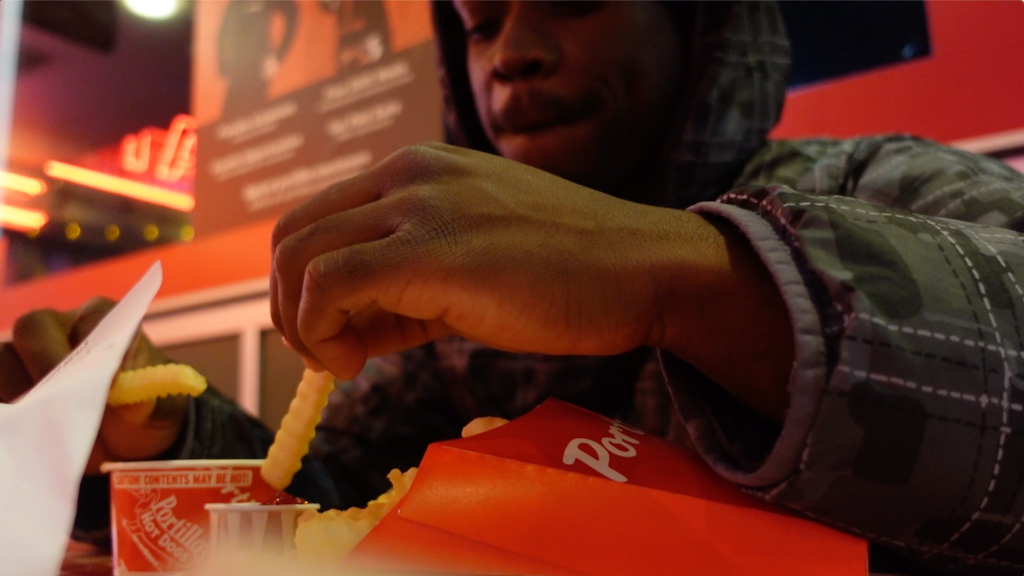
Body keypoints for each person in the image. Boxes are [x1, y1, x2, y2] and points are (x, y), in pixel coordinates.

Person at [4, 2, 1024, 574]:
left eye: (570, 0)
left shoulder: (876, 185)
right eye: (478, 23)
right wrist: (161, 443)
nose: (514, 55)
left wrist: (684, 274)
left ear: (704, 27)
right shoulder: (452, 330)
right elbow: (330, 511)